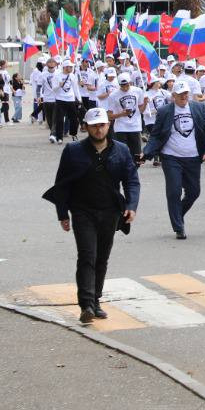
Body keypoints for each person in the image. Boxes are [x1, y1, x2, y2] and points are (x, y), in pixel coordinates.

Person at [42, 108, 140, 323]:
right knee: (87, 256)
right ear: (85, 127)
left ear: (108, 126)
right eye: (94, 125)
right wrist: (62, 214)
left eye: (102, 125)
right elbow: (62, 184)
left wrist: (131, 205)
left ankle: (95, 300)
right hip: (82, 211)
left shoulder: (121, 150)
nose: (99, 129)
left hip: (110, 212)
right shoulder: (73, 150)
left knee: (102, 257)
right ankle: (86, 304)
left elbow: (131, 180)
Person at [143, 84, 205, 239]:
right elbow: (155, 135)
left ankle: (177, 214)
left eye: (186, 94)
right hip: (171, 156)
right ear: (173, 95)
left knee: (194, 192)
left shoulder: (198, 108)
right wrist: (146, 153)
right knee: (174, 191)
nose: (183, 97)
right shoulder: (164, 111)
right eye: (180, 94)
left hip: (193, 157)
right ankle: (178, 227)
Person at [105, 74, 145, 163]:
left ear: (130, 83)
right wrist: (121, 114)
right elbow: (109, 116)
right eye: (122, 86)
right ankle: (124, 174)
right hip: (121, 127)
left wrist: (145, 103)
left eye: (127, 85)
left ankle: (133, 173)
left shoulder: (138, 91)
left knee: (138, 157)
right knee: (122, 154)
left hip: (135, 126)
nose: (125, 88)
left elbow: (141, 110)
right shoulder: (113, 95)